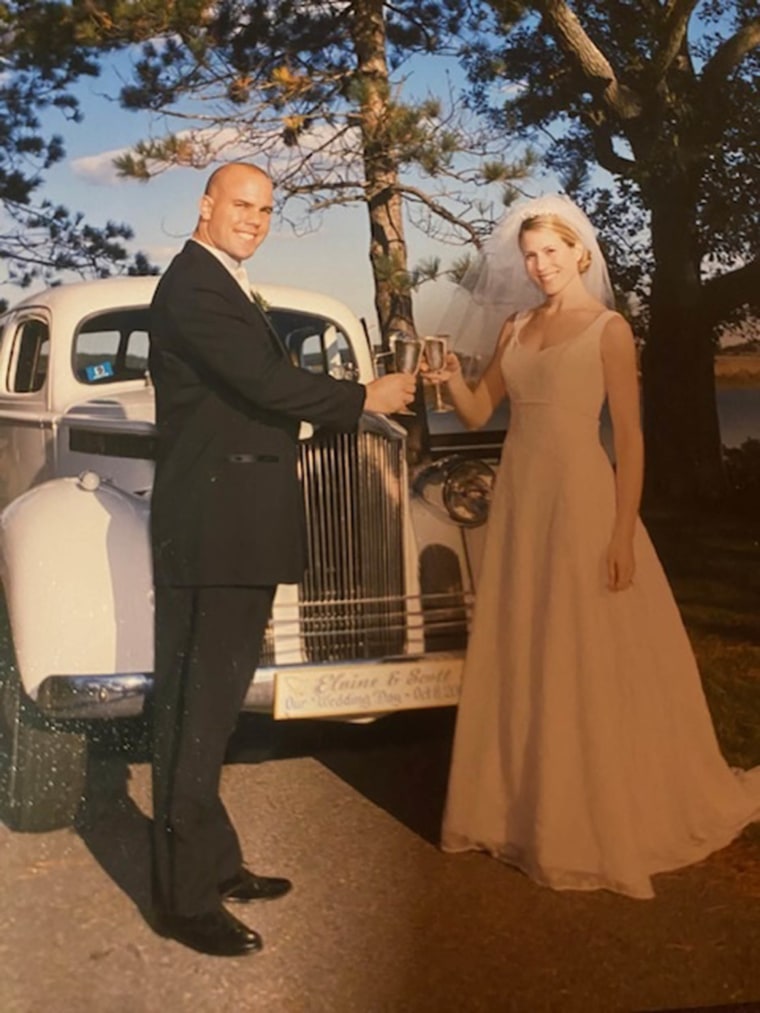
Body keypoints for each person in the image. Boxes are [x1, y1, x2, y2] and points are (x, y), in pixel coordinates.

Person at [433, 194, 760, 899]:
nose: (540, 264)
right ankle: (525, 809)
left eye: (552, 251)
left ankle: (600, 813)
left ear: (581, 252)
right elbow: (476, 409)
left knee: (588, 648)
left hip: (583, 501)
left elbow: (632, 439)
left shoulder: (608, 329)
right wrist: (446, 378)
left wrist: (622, 530)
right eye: (530, 254)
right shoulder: (517, 326)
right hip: (522, 505)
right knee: (529, 647)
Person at [148, 162, 415, 956]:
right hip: (214, 533)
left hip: (227, 526)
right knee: (198, 714)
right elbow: (265, 382)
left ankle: (213, 861)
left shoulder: (218, 280)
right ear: (205, 206)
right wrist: (364, 397)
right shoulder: (195, 285)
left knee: (209, 710)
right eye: (241, 205)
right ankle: (185, 901)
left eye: (266, 209)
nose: (255, 219)